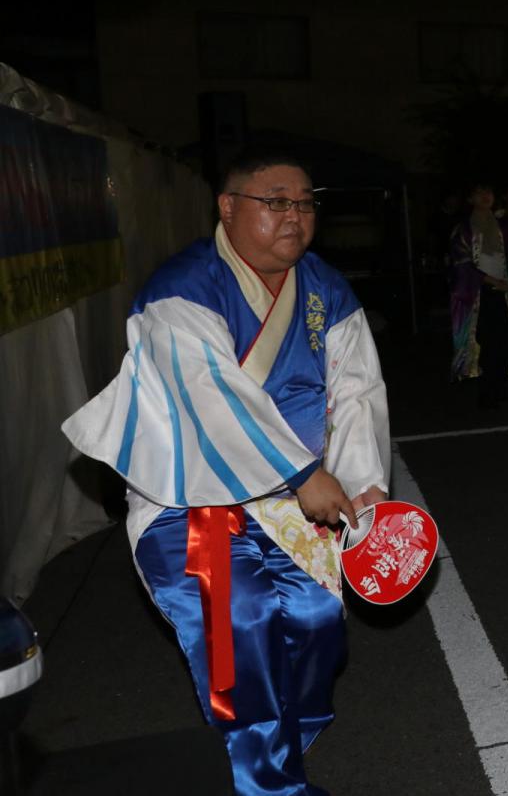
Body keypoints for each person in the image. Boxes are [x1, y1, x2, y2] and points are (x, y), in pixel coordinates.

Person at [61, 147, 390, 795]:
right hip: (189, 501)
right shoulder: (181, 289)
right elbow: (208, 396)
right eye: (275, 201)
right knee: (243, 628)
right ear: (229, 206)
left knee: (318, 623)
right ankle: (270, 783)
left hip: (297, 498)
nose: (293, 216)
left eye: (304, 202)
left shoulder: (325, 287)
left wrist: (364, 481)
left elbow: (356, 389)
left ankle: (272, 745)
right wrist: (301, 471)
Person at [449, 181, 508, 406]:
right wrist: (491, 281)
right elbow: (462, 264)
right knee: (486, 343)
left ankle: (499, 389)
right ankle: (488, 393)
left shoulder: (501, 225)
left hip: (503, 292)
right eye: (479, 192)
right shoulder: (464, 228)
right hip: (479, 295)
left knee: (507, 341)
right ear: (470, 199)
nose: (485, 196)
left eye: (487, 190)